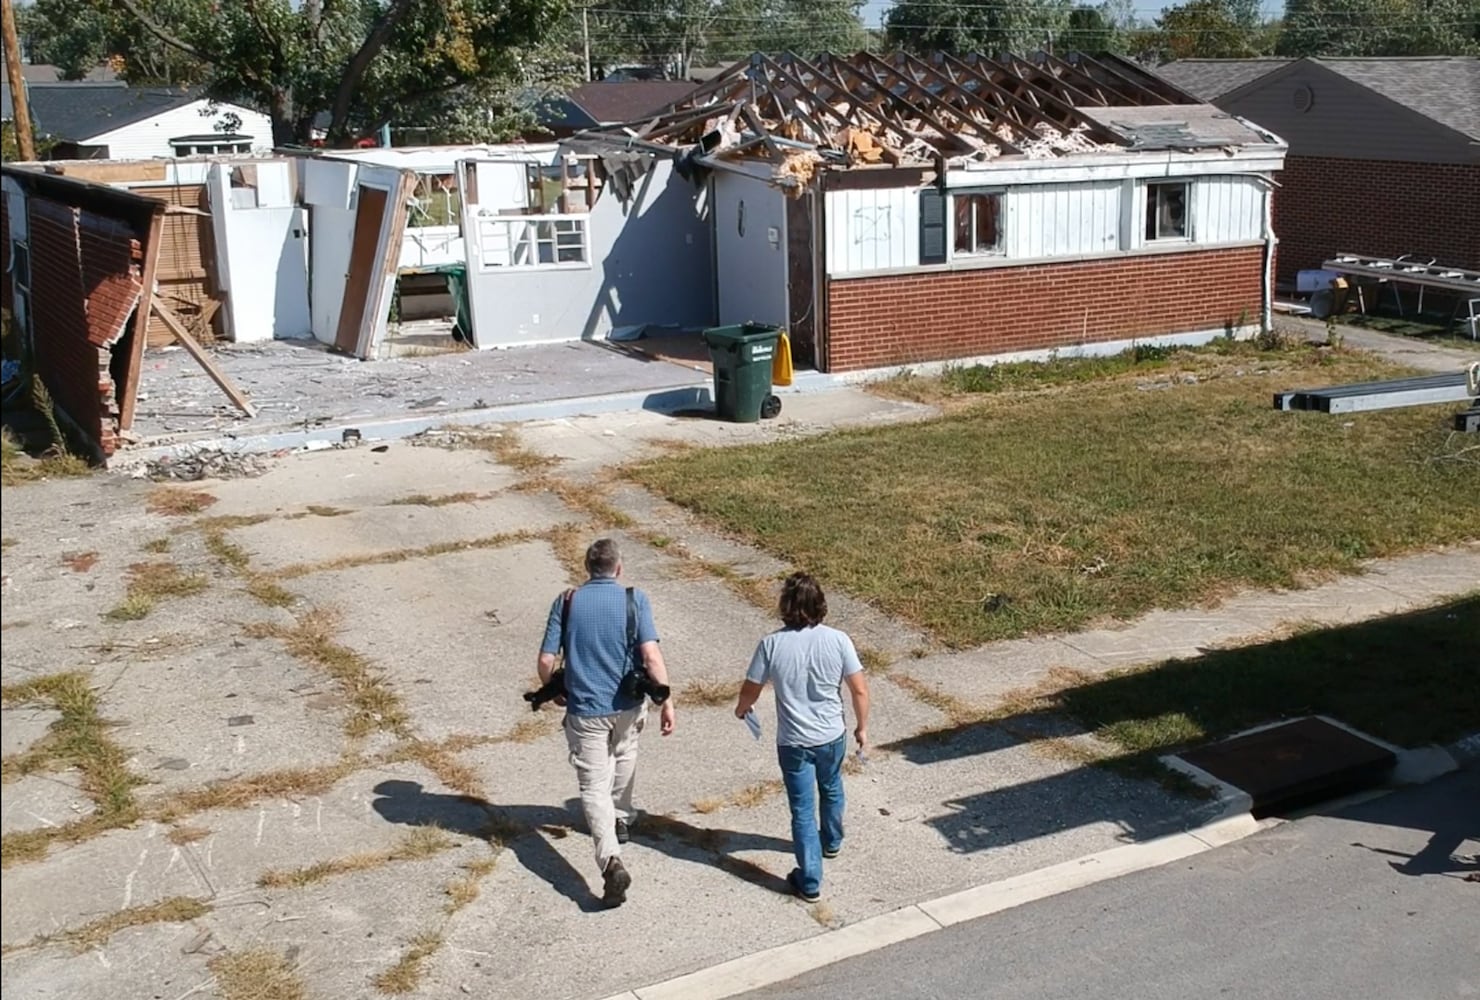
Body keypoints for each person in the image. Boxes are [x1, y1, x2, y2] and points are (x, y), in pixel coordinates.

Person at [537, 538, 675, 908]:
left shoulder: (566, 602)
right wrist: (667, 700)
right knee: (627, 750)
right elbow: (651, 655)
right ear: (619, 568)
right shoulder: (635, 599)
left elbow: (547, 659)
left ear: (587, 568)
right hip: (628, 704)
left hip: (585, 710)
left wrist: (553, 688)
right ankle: (622, 817)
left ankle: (610, 859)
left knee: (593, 786)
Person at [734, 572, 869, 903]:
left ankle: (809, 879)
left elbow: (751, 688)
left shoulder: (771, 645)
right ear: (820, 604)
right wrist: (862, 728)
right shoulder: (839, 640)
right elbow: (859, 690)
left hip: (794, 741)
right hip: (831, 734)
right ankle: (832, 841)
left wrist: (742, 709)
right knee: (832, 785)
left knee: (802, 810)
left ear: (786, 606)